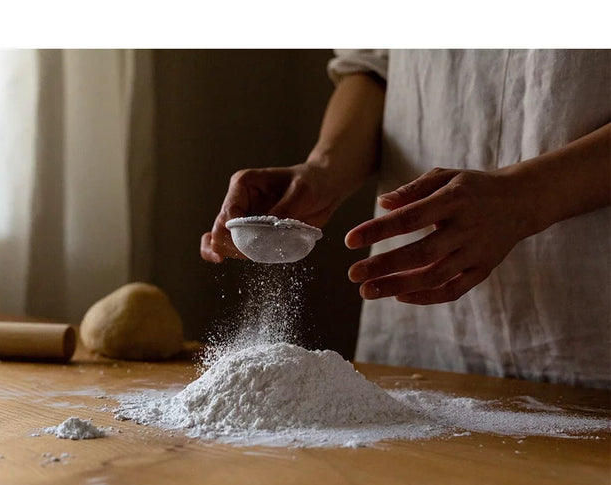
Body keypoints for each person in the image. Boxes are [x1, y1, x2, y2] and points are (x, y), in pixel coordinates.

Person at [201, 50, 611, 390]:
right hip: (425, 330)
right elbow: (375, 68)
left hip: (589, 321)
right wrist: (324, 170)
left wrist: (526, 195)